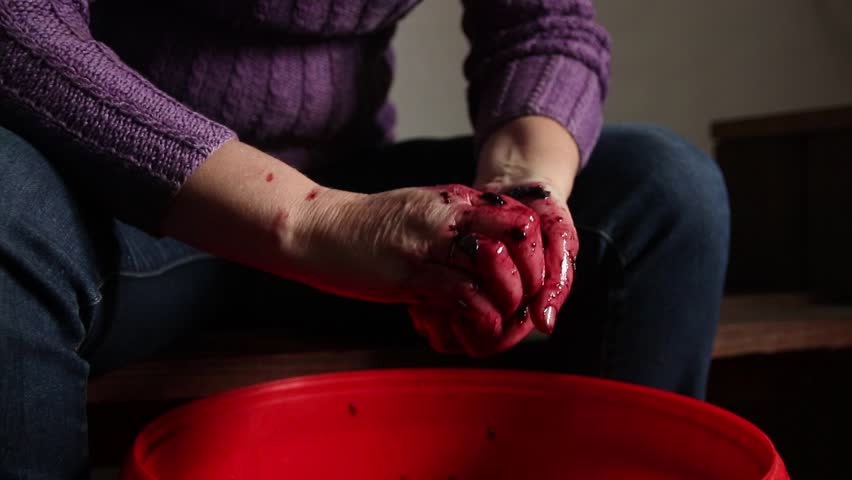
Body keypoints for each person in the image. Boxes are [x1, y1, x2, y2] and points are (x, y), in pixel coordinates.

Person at [0, 0, 730, 478]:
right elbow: (20, 24)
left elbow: (543, 27)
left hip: (348, 185)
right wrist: (312, 218)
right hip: (118, 198)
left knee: (668, 194)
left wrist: (518, 201)